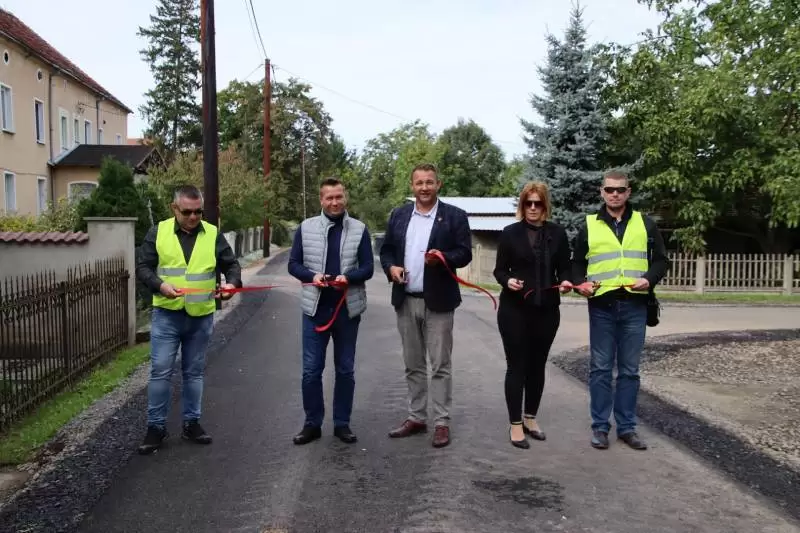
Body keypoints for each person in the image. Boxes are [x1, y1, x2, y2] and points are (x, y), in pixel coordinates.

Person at [135, 184, 241, 455]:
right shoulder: (158, 232)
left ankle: (191, 423)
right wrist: (160, 285)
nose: (194, 217)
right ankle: (155, 428)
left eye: (198, 212)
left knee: (193, 372)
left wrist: (231, 284)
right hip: (167, 315)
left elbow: (231, 264)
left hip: (200, 316)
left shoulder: (212, 234)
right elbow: (143, 267)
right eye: (187, 212)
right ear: (174, 208)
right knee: (160, 371)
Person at [572, 171, 669, 451]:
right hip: (601, 305)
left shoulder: (645, 224)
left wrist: (648, 279)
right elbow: (577, 263)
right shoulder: (589, 225)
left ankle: (627, 428)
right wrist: (580, 284)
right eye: (609, 190)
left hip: (635, 305)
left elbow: (661, 261)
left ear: (628, 192)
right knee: (601, 369)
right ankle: (600, 427)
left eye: (620, 190)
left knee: (629, 370)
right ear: (602, 192)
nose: (614, 194)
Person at [379, 163, 472, 448]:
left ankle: (442, 422)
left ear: (438, 184)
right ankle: (417, 417)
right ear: (412, 185)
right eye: (419, 183)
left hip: (439, 302)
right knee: (413, 364)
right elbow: (386, 251)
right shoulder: (399, 215)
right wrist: (391, 268)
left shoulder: (454, 216)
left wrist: (442, 257)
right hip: (406, 299)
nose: (424, 187)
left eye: (429, 182)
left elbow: (464, 253)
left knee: (440, 365)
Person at [288, 177, 374, 445]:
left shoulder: (359, 229)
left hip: (347, 310)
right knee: (311, 371)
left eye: (339, 197)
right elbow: (293, 264)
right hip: (315, 309)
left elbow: (368, 268)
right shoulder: (306, 228)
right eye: (329, 198)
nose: (335, 202)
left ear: (345, 197)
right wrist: (312, 276)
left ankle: (342, 423)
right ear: (321, 200)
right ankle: (312, 424)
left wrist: (349, 278)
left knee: (345, 370)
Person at [492, 181, 573, 449]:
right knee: (517, 365)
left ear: (545, 205)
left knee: (538, 365)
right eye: (529, 203)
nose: (533, 208)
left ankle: (530, 418)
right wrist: (508, 281)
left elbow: (565, 268)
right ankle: (515, 424)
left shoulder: (557, 234)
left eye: (538, 203)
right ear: (523, 205)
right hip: (514, 310)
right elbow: (499, 270)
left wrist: (566, 281)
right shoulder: (510, 233)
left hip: (547, 310)